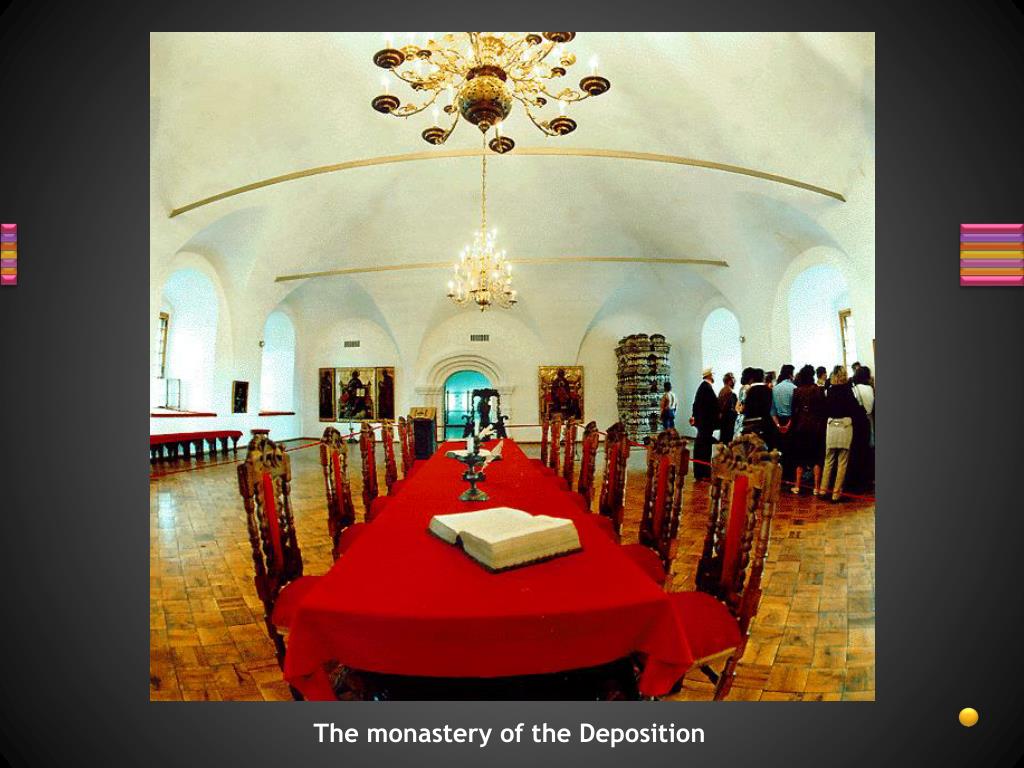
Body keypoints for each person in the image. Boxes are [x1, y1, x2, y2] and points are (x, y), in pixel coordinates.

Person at [821, 367, 859, 502]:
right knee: (842, 461)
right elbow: (855, 409)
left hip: (831, 426)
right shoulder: (848, 391)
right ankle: (836, 494)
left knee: (828, 459)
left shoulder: (829, 391)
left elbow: (825, 409)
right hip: (845, 426)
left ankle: (823, 489)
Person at [790, 364, 826, 495]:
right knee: (816, 457)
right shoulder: (818, 390)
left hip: (800, 427)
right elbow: (823, 410)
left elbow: (793, 411)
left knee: (800, 458)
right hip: (816, 427)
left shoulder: (797, 391)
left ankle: (797, 485)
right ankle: (816, 487)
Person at [848, 365, 875, 492]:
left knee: (857, 452)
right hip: (869, 421)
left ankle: (857, 481)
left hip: (858, 422)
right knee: (868, 450)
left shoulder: (854, 389)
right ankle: (868, 479)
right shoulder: (870, 389)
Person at [689, 367, 718, 480]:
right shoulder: (707, 388)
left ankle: (700, 472)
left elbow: (695, 405)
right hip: (706, 424)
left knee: (701, 447)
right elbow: (713, 406)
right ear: (709, 375)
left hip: (702, 423)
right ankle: (704, 472)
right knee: (704, 449)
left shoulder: (702, 387)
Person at [740, 368, 775, 448]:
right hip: (767, 425)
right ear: (763, 378)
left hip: (752, 426)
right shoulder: (769, 391)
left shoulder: (749, 391)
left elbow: (745, 408)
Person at [717, 372, 738, 444]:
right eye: (733, 379)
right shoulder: (730, 392)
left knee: (723, 439)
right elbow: (732, 408)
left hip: (723, 420)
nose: (735, 381)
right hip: (729, 421)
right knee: (728, 440)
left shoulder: (722, 391)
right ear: (730, 381)